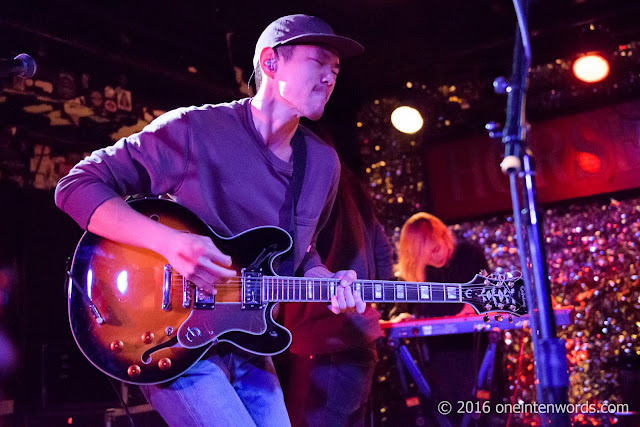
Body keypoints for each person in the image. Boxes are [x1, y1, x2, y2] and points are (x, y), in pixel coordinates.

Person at [55, 14, 366, 426]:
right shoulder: (195, 129)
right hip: (171, 334)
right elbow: (76, 186)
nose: (329, 77)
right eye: (318, 62)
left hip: (249, 340)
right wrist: (169, 243)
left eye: (336, 70)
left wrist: (323, 278)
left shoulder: (323, 163)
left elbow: (299, 253)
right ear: (271, 63)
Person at [283, 165, 393, 427]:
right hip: (359, 336)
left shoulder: (311, 183)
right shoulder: (353, 192)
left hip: (326, 338)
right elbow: (383, 255)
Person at [390, 212, 490, 425]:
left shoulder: (469, 255)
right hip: (438, 359)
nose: (435, 258)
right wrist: (403, 317)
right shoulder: (420, 273)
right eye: (427, 256)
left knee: (480, 415)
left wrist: (473, 308)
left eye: (436, 248)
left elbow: (487, 296)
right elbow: (398, 311)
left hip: (474, 351)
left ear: (443, 235)